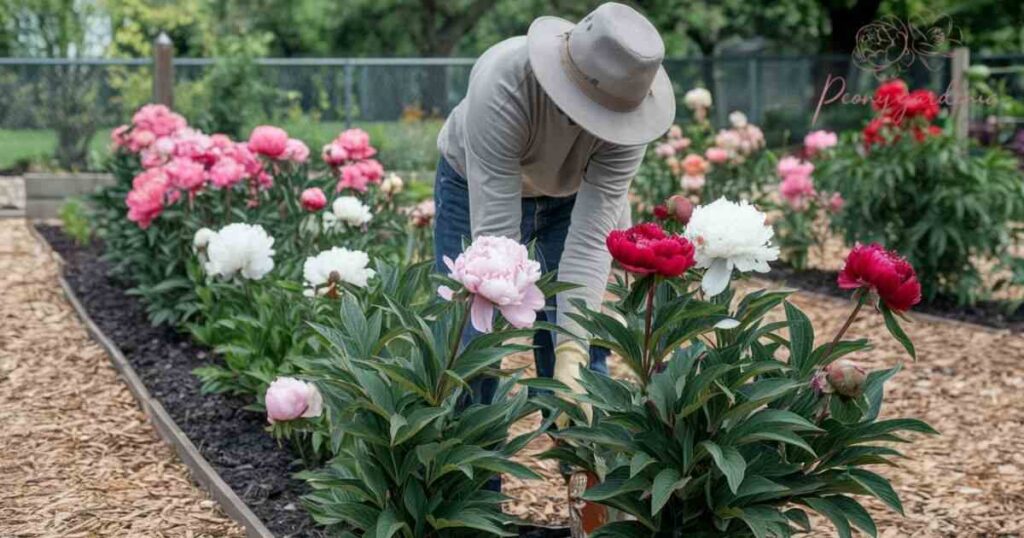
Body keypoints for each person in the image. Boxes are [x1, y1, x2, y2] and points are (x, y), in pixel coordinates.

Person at [434, 2, 674, 410]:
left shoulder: (632, 112)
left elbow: (592, 238)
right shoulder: (504, 84)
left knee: (581, 348)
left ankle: (583, 460)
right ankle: (467, 470)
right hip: (471, 184)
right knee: (469, 341)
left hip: (570, 196)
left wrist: (572, 353)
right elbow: (498, 243)